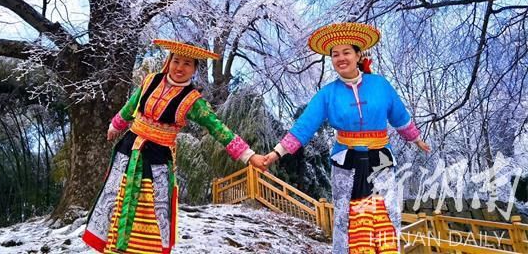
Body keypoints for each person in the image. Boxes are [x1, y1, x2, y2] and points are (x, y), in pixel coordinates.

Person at [83, 39, 267, 254]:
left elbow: (218, 128)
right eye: (176, 61)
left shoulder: (193, 101)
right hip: (128, 149)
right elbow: (131, 106)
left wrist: (248, 155)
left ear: (195, 68)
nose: (180, 67)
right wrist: (116, 125)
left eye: (187, 64)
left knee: (149, 208)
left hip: (157, 159)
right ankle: (111, 247)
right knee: (117, 198)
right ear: (169, 61)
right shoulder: (150, 81)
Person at [263, 23, 431, 254]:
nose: (341, 58)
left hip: (380, 159)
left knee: (387, 211)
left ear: (358, 54)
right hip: (345, 162)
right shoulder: (327, 94)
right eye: (335, 54)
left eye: (346, 52)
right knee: (345, 216)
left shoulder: (380, 85)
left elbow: (399, 115)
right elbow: (305, 125)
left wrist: (415, 138)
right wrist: (277, 152)